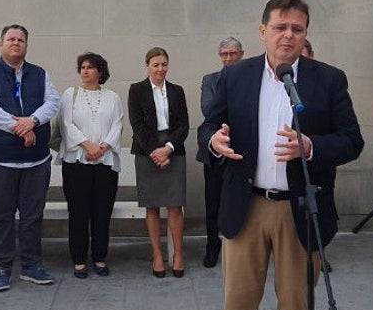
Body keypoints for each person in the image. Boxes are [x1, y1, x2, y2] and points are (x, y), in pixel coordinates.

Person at [201, 0, 363, 310]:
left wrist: (311, 147)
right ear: (263, 31)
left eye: (297, 27)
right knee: (239, 307)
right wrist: (214, 143)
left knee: (297, 309)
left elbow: (352, 141)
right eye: (280, 27)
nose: (288, 34)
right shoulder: (233, 77)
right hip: (246, 207)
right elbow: (206, 130)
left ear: (306, 33)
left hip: (300, 209)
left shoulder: (328, 80)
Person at [0, 24, 60, 292]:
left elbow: (53, 102)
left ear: (26, 45)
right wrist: (20, 128)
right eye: (10, 39)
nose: (16, 43)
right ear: (0, 45)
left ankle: (32, 265)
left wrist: (32, 121)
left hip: (36, 160)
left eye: (21, 39)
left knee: (33, 215)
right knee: (3, 215)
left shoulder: (40, 74)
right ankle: (3, 267)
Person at [59, 52, 124, 278]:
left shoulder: (112, 97)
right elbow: (66, 124)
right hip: (77, 162)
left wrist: (103, 147)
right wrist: (88, 145)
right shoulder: (70, 95)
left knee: (102, 213)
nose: (85, 71)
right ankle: (78, 259)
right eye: (82, 67)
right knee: (78, 212)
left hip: (105, 164)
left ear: (100, 71)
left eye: (90, 67)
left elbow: (117, 125)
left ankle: (99, 257)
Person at [129, 47, 190, 278]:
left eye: (164, 64)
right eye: (155, 64)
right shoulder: (137, 90)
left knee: (175, 206)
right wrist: (155, 151)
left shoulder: (177, 91)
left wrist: (168, 149)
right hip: (147, 151)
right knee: (152, 206)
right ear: (147, 66)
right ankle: (156, 255)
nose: (160, 69)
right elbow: (137, 125)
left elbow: (183, 125)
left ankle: (177, 255)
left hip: (173, 149)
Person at [198, 37, 244, 268]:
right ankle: (212, 245)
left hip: (243, 151)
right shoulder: (210, 80)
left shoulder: (251, 79)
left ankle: (238, 247)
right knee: (213, 201)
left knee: (241, 201)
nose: (228, 58)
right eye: (224, 54)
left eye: (232, 54)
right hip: (215, 152)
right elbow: (208, 110)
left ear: (241, 54)